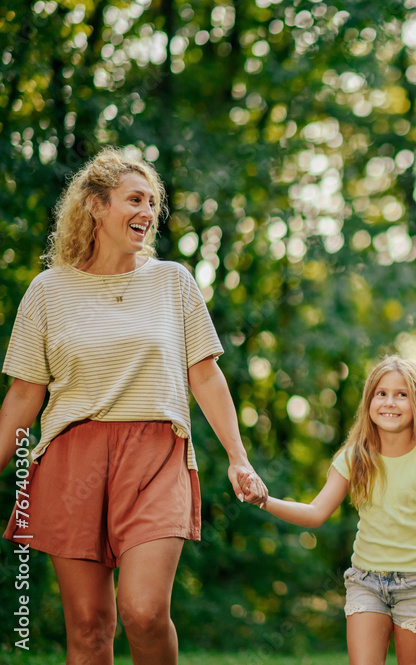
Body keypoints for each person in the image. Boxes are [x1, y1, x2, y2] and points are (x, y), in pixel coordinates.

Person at [0, 147, 269, 664]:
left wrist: (238, 457)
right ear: (96, 206)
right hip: (71, 459)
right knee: (88, 629)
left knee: (144, 612)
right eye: (134, 199)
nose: (147, 212)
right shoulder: (47, 291)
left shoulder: (173, 282)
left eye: (152, 202)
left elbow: (206, 376)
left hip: (156, 456)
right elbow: (23, 396)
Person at [248, 355, 416, 665]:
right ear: (369, 402)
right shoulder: (355, 457)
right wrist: (264, 500)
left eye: (401, 394)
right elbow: (315, 512)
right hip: (366, 583)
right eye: (381, 393)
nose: (390, 402)